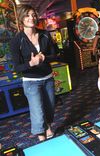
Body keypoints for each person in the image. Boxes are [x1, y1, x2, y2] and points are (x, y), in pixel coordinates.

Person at [10, 5, 56, 142]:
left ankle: (48, 126)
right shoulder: (16, 41)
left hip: (47, 78)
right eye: (27, 15)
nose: (31, 18)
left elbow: (56, 54)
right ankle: (41, 139)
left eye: (33, 15)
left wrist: (44, 58)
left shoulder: (45, 34)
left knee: (50, 107)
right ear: (21, 19)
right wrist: (31, 63)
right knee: (37, 111)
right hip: (30, 81)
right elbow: (17, 68)